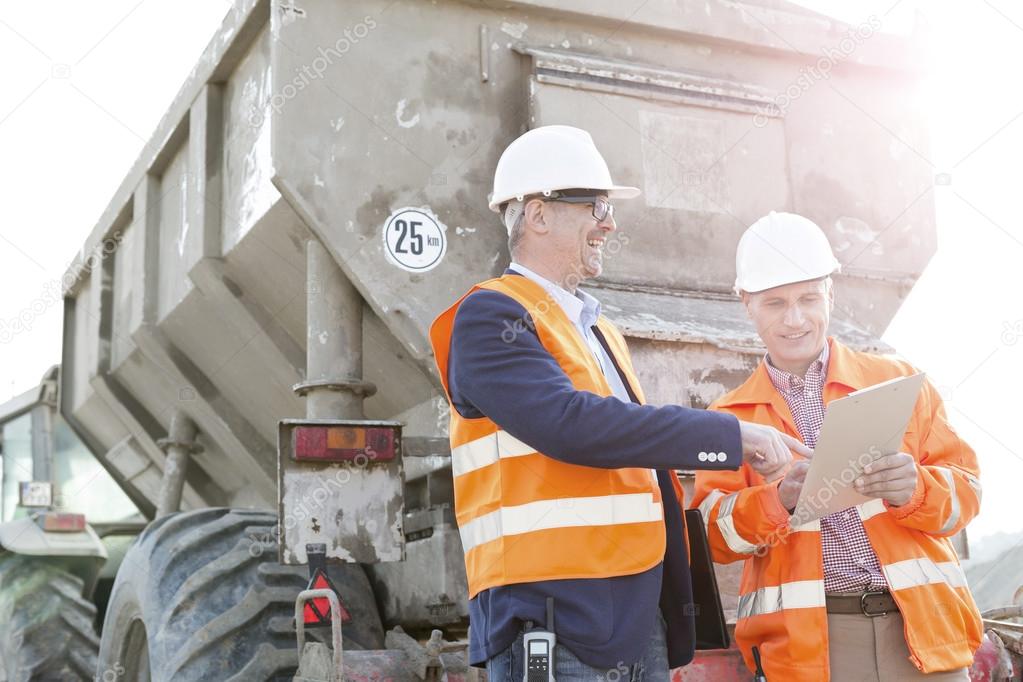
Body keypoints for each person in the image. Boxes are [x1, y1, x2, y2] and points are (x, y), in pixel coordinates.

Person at [429, 125, 809, 680]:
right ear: (537, 215)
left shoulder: (595, 327)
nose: (610, 222)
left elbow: (632, 455)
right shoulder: (490, 317)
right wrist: (732, 438)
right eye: (595, 206)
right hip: (551, 617)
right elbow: (574, 427)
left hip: (629, 620)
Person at [692, 211, 983, 681]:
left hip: (925, 634)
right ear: (746, 302)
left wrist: (917, 488)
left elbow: (967, 495)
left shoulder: (899, 382)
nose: (795, 319)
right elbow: (708, 539)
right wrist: (777, 500)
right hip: (813, 649)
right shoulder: (728, 420)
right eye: (774, 303)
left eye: (809, 297)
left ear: (831, 292)